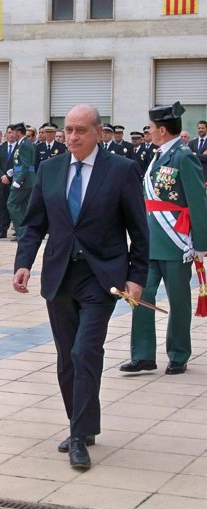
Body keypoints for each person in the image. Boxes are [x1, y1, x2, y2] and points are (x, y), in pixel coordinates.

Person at [13, 104, 149, 470]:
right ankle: (82, 424)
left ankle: (78, 437)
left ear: (98, 132)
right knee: (65, 358)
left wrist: (136, 278)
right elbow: (33, 224)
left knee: (85, 352)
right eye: (68, 129)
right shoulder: (50, 169)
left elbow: (139, 230)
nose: (71, 136)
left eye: (80, 130)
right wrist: (23, 263)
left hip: (101, 278)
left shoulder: (121, 171)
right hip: (60, 276)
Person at [122, 102, 207, 375]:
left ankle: (179, 353)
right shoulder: (158, 156)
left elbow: (198, 201)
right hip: (151, 241)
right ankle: (143, 354)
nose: (149, 132)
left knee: (178, 300)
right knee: (141, 296)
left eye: (151, 128)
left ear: (161, 130)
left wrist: (201, 244)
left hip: (176, 242)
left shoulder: (184, 157)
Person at [2, 122, 35, 241]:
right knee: (24, 207)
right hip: (24, 179)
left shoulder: (25, 144)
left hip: (23, 181)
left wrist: (18, 181)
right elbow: (21, 163)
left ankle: (22, 231)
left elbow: (27, 165)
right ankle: (26, 232)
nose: (12, 134)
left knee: (12, 204)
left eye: (13, 131)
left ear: (19, 132)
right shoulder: (22, 144)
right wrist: (13, 170)